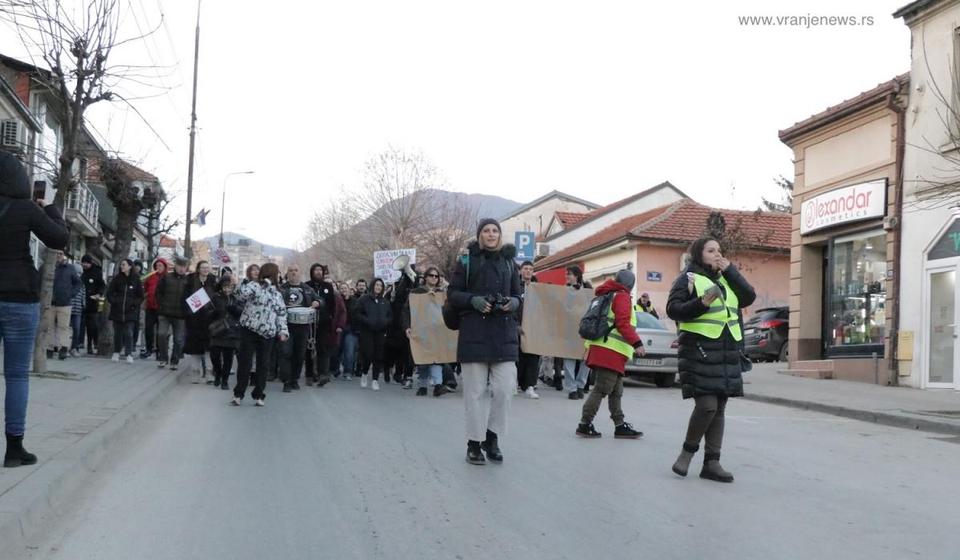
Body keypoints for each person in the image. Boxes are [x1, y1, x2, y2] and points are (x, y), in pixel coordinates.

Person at [667, 237, 756, 484]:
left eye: (719, 250)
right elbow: (673, 309)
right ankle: (687, 453)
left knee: (719, 408)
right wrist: (701, 303)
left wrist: (731, 270)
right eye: (710, 250)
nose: (717, 254)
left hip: (727, 350)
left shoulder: (725, 278)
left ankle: (712, 462)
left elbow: (748, 296)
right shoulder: (688, 278)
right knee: (707, 405)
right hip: (699, 349)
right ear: (699, 254)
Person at [0, 150, 69, 467]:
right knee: (16, 376)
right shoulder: (26, 208)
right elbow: (59, 238)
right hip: (19, 297)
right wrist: (51, 207)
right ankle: (14, 449)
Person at [447, 218, 522, 465]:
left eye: (495, 231)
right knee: (475, 393)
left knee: (504, 390)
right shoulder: (466, 261)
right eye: (486, 231)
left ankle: (492, 437)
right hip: (474, 334)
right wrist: (473, 301)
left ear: (500, 235)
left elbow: (518, 295)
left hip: (504, 335)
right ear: (479, 235)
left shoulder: (510, 262)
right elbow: (453, 294)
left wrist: (513, 303)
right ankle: (473, 443)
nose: (491, 234)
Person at [575, 269, 645, 439]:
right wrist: (637, 343)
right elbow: (622, 323)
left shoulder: (604, 295)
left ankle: (620, 425)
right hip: (610, 351)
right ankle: (585, 424)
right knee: (602, 388)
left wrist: (588, 347)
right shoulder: (621, 296)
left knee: (616, 390)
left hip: (605, 349)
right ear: (630, 285)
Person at [232, 262, 288, 406]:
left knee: (263, 364)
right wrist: (255, 283)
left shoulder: (277, 294)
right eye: (277, 273)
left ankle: (259, 394)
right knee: (245, 363)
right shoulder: (255, 286)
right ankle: (238, 394)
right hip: (249, 330)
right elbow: (240, 295)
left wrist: (283, 331)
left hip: (267, 333)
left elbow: (281, 314)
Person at [403, 266, 452, 397]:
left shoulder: (442, 293)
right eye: (431, 275)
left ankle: (438, 385)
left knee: (437, 358)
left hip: (437, 331)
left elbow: (448, 311)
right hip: (421, 331)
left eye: (436, 276)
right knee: (423, 359)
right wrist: (407, 326)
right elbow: (406, 311)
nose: (434, 278)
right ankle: (423, 386)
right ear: (426, 277)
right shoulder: (416, 292)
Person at [278, 264, 320, 392]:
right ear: (287, 273)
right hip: (286, 325)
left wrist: (317, 302)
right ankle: (286, 381)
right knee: (286, 353)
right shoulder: (281, 289)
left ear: (299, 273)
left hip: (303, 326)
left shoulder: (307, 289)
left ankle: (295, 379)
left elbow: (320, 300)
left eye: (296, 270)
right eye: (291, 270)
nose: (293, 273)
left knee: (299, 354)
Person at [183, 260, 216, 383]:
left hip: (209, 319)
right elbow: (184, 297)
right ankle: (195, 373)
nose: (205, 270)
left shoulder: (213, 281)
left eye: (207, 267)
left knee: (209, 348)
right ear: (198, 269)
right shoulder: (191, 281)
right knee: (194, 348)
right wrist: (187, 313)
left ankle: (209, 373)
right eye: (203, 267)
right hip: (194, 319)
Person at [356, 278, 392, 390]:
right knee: (368, 354)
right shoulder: (364, 299)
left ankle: (375, 380)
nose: (378, 287)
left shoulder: (385, 301)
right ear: (372, 286)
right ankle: (364, 373)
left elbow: (390, 316)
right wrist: (367, 320)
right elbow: (357, 313)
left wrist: (385, 322)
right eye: (377, 285)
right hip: (367, 331)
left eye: (380, 286)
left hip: (380, 332)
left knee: (378, 356)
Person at [106, 259, 145, 364]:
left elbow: (141, 296)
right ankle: (116, 352)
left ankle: (129, 354)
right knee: (117, 333)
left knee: (128, 333)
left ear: (129, 266)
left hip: (130, 312)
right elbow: (109, 292)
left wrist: (134, 304)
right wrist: (114, 302)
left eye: (124, 265)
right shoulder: (117, 279)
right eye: (121, 265)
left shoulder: (136, 279)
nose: (122, 266)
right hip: (117, 311)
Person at [155, 257, 190, 370]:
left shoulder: (189, 281)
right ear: (175, 266)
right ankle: (163, 358)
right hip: (165, 313)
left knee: (179, 340)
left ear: (186, 268)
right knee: (161, 335)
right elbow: (158, 292)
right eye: (179, 266)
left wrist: (188, 310)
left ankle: (174, 360)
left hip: (181, 315)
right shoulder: (167, 277)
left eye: (184, 266)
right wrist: (161, 304)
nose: (181, 269)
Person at [563, 265, 593, 400]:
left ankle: (581, 385)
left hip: (585, 328)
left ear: (576, 275)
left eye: (569, 274)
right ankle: (572, 388)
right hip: (569, 328)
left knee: (585, 359)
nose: (567, 276)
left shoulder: (587, 289)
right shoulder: (564, 290)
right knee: (569, 358)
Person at [305, 263, 335, 386]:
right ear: (312, 272)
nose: (318, 272)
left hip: (323, 322)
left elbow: (332, 304)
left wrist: (329, 317)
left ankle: (323, 374)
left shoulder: (328, 286)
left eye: (320, 270)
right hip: (309, 322)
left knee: (322, 348)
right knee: (309, 348)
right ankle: (310, 375)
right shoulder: (307, 286)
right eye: (316, 270)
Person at [209, 276, 242, 389]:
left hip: (231, 331)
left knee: (228, 358)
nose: (227, 289)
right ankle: (218, 373)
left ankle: (225, 380)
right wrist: (214, 313)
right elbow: (207, 311)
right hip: (217, 330)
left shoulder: (236, 298)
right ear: (221, 286)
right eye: (225, 287)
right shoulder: (215, 297)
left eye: (230, 287)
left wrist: (235, 309)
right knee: (215, 356)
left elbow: (241, 313)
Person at [48, 250, 81, 360]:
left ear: (64, 256)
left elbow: (78, 283)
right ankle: (50, 348)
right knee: (49, 326)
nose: (58, 256)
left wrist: (70, 294)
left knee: (64, 327)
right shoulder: (48, 265)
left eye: (61, 254)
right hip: (50, 302)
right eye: (56, 253)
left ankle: (63, 348)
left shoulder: (70, 268)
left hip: (64, 303)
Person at [516, 261, 541, 399]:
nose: (528, 271)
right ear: (521, 271)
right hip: (518, 327)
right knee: (518, 357)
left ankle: (530, 386)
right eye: (525, 269)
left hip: (534, 328)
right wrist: (515, 325)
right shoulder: (515, 287)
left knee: (532, 357)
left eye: (531, 269)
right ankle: (516, 384)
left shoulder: (538, 288)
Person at [140, 258, 168, 359]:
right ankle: (149, 349)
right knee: (148, 329)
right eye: (157, 265)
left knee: (160, 332)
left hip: (162, 308)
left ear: (164, 267)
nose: (158, 267)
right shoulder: (151, 277)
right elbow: (146, 289)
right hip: (150, 307)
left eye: (160, 265)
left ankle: (159, 351)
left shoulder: (167, 277)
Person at [80, 254, 106, 354]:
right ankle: (86, 344)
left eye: (87, 263)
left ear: (90, 263)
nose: (85, 265)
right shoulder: (82, 272)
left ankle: (95, 342)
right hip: (83, 302)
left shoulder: (97, 272)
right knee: (85, 325)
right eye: (83, 263)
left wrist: (98, 294)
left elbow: (102, 285)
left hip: (94, 302)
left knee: (93, 324)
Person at [69, 262, 86, 357]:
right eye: (77, 273)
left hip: (78, 310)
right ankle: (64, 347)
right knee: (66, 329)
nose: (78, 275)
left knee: (77, 329)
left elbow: (83, 296)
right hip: (68, 307)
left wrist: (84, 305)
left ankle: (74, 348)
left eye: (80, 273)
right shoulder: (69, 282)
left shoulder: (82, 284)